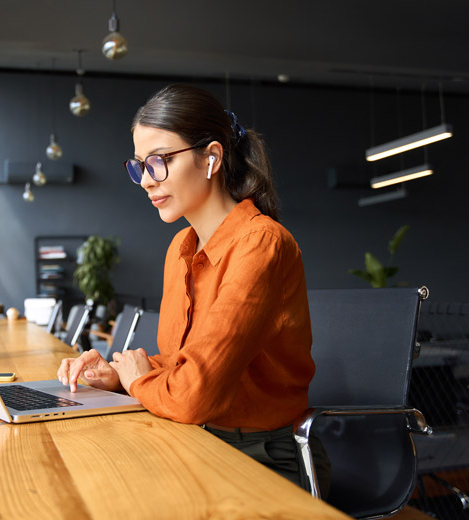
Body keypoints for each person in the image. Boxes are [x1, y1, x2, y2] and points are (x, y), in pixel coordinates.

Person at [56, 84, 330, 496]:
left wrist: (137, 382)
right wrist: (117, 376)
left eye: (159, 162)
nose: (146, 182)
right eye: (139, 166)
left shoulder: (261, 243)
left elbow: (195, 395)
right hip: (196, 438)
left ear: (212, 158)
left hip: (264, 460)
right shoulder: (180, 248)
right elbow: (185, 363)